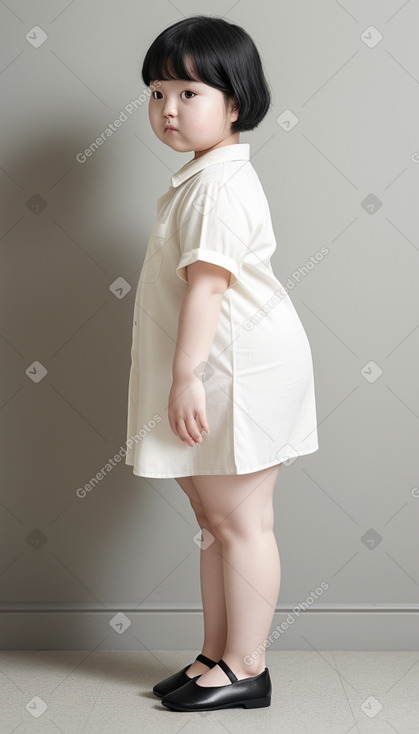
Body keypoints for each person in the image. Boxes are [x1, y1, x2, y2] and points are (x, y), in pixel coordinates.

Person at [125, 15, 319, 712]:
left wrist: (183, 379)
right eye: (156, 93)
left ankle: (246, 667)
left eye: (187, 92)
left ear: (234, 102)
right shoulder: (200, 178)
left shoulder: (217, 186)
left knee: (240, 522)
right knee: (216, 521)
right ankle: (216, 654)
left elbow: (206, 286)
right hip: (226, 363)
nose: (167, 109)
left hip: (242, 368)